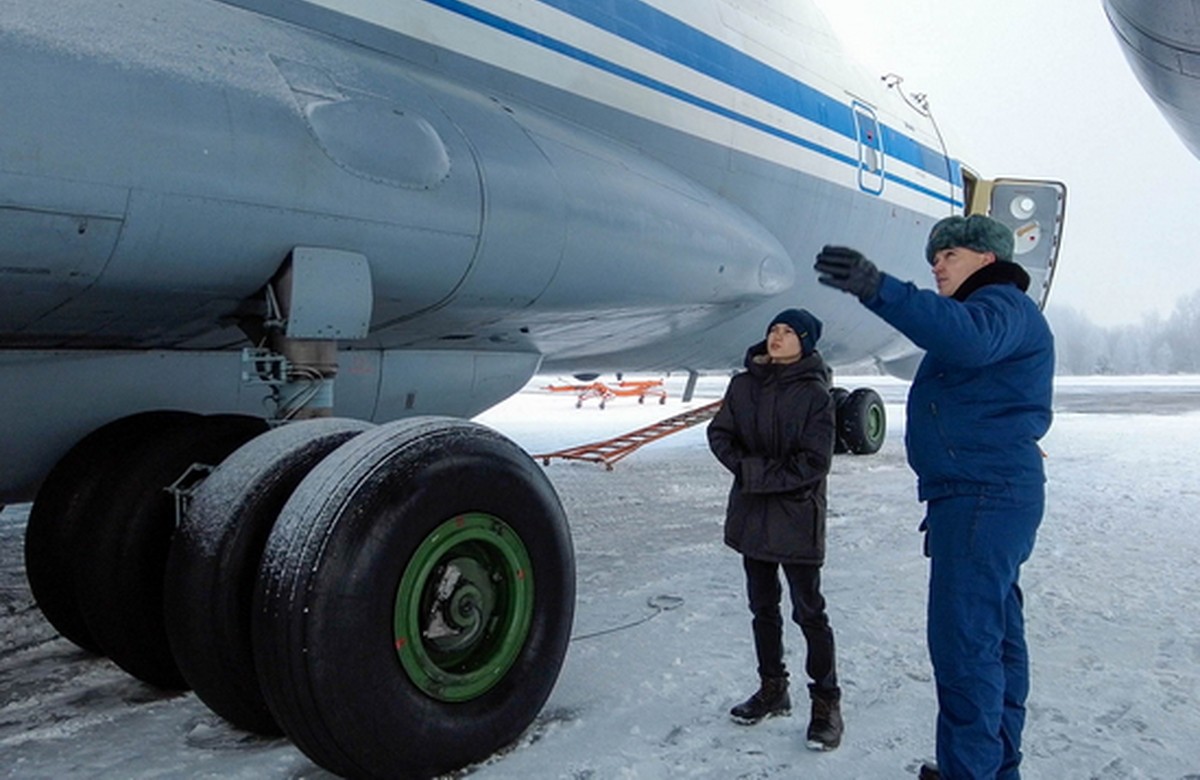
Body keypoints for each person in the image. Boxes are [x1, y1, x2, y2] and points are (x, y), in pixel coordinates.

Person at [813, 214, 1054, 779]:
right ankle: (992, 767)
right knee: (993, 643)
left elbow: (962, 338)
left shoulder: (1000, 307)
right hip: (981, 495)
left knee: (966, 650)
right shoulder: (996, 313)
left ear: (987, 261)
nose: (937, 264)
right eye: (934, 257)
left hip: (981, 498)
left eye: (950, 254)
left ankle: (972, 770)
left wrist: (879, 288)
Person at [706, 307, 843, 752]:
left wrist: (756, 476)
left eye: (788, 332)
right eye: (773, 330)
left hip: (796, 516)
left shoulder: (816, 394)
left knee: (809, 613)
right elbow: (719, 434)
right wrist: (747, 471)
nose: (777, 337)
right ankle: (772, 689)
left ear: (807, 342)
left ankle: (826, 703)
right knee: (762, 608)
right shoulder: (743, 385)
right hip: (752, 516)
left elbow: (814, 462)